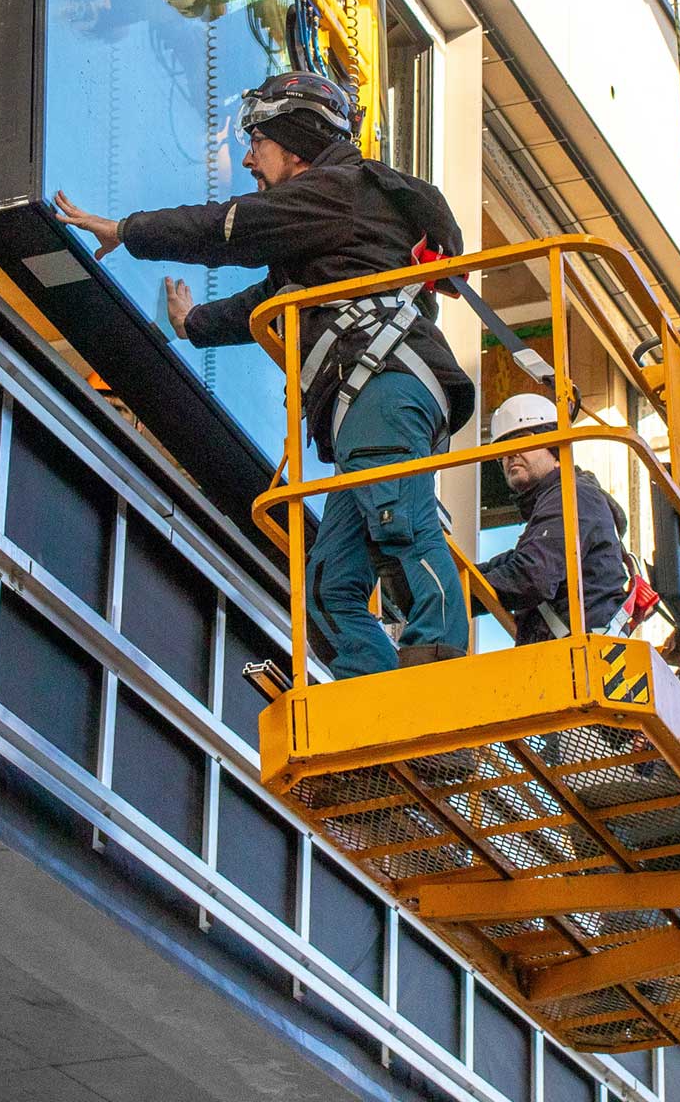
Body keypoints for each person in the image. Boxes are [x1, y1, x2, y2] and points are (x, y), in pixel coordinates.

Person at [54, 71, 474, 679]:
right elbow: (268, 301)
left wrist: (127, 231)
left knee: (398, 522)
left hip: (383, 386)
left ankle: (439, 681)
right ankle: (374, 693)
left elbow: (229, 227)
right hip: (372, 395)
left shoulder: (335, 193)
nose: (248, 158)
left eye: (258, 141)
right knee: (331, 584)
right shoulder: (324, 230)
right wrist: (194, 322)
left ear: (296, 142)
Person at [482, 393, 628, 643]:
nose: (510, 454)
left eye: (522, 440)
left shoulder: (574, 496)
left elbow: (531, 575)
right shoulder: (555, 506)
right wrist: (456, 580)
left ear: (555, 448)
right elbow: (514, 563)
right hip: (571, 657)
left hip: (580, 658)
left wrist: (452, 593)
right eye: (502, 449)